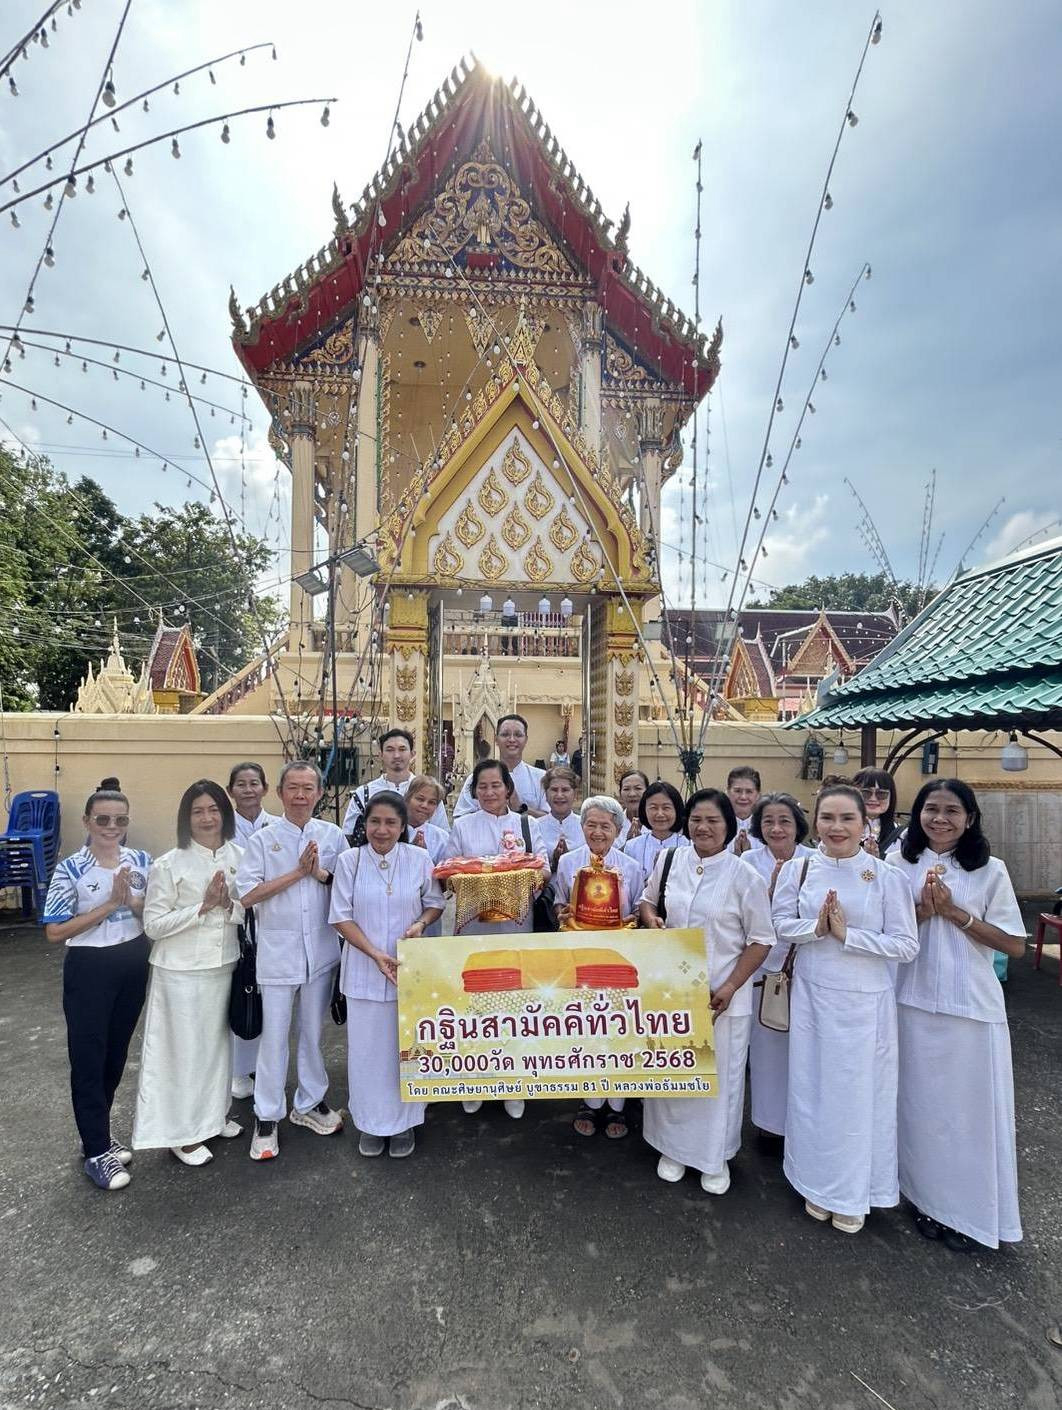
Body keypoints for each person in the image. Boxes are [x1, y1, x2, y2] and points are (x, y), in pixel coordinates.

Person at [772, 784, 918, 1233]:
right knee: (813, 1091)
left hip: (865, 1006)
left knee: (858, 1100)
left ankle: (854, 1192)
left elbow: (906, 945)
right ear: (815, 822)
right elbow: (780, 925)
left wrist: (847, 936)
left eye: (846, 819)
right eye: (828, 818)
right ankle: (814, 1183)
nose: (836, 828)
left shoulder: (886, 875)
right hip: (814, 997)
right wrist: (815, 929)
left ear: (864, 823)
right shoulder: (798, 869)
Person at [887, 779, 1025, 1251]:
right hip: (910, 999)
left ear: (970, 818)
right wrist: (924, 912)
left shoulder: (991, 871)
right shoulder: (898, 863)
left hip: (970, 1009)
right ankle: (921, 1197)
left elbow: (1012, 944)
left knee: (967, 1116)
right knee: (917, 1108)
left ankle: (969, 1214)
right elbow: (885, 927)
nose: (940, 819)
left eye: (951, 810)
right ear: (917, 814)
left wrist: (955, 914)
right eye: (931, 809)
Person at [639, 788, 774, 1193]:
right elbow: (647, 901)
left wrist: (732, 986)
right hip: (672, 992)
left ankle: (715, 1158)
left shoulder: (744, 876)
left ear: (729, 826)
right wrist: (652, 921)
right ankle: (671, 1148)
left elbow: (762, 939)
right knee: (673, 1075)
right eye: (696, 819)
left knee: (718, 1079)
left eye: (713, 820)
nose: (703, 827)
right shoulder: (669, 860)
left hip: (722, 996)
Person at [236, 762, 347, 1161]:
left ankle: (309, 1103)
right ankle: (267, 1116)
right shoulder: (264, 841)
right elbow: (246, 895)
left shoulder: (332, 835)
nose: (301, 796)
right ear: (280, 793)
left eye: (308, 788)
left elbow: (345, 884)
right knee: (274, 1037)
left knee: (313, 1035)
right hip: (277, 953)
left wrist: (319, 873)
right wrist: (298, 874)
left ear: (320, 793)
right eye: (293, 788)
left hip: (319, 951)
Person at [43, 788, 151, 1192]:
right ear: (87, 821)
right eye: (103, 819)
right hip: (90, 968)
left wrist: (134, 904)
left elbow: (150, 910)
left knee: (116, 1054)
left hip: (132, 962)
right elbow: (54, 930)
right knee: (88, 1058)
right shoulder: (71, 868)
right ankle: (95, 1150)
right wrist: (108, 905)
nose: (112, 827)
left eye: (120, 820)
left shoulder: (140, 860)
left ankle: (97, 1136)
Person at [132, 781, 244, 1165]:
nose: (207, 817)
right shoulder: (169, 863)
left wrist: (228, 903)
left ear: (224, 814)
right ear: (186, 817)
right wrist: (202, 907)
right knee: (182, 1053)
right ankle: (182, 1134)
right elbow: (154, 926)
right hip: (180, 971)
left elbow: (247, 911)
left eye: (214, 809)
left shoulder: (239, 856)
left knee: (215, 1049)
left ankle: (213, 1117)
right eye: (198, 811)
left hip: (223, 964)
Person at [329, 792, 446, 1159]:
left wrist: (419, 925)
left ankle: (405, 1124)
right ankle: (369, 1123)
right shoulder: (349, 860)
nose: (382, 830)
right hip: (364, 970)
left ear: (402, 826)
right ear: (365, 824)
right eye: (375, 822)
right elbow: (340, 916)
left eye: (391, 823)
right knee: (366, 1054)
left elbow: (435, 903)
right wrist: (375, 953)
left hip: (408, 970)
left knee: (406, 1050)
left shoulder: (419, 858)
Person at [443, 758, 550, 1120]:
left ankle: (515, 1083)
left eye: (496, 785)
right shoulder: (461, 826)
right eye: (482, 787)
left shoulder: (527, 824)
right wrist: (475, 875)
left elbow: (544, 868)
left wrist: (526, 875)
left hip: (516, 928)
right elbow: (446, 873)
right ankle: (473, 1080)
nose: (489, 793)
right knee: (474, 1004)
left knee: (515, 1004)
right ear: (474, 792)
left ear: (508, 789)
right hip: (474, 930)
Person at [553, 794, 645, 1140]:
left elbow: (638, 908)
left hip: (620, 961)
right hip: (579, 958)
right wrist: (564, 913)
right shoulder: (568, 864)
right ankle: (590, 1101)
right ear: (581, 827)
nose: (597, 832)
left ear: (618, 831)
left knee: (619, 1028)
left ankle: (618, 1104)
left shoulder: (632, 867)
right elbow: (561, 902)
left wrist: (630, 921)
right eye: (590, 824)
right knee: (588, 1028)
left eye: (605, 826)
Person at [742, 793, 814, 1142]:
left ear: (797, 825)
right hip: (761, 968)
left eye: (784, 820)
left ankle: (802, 1125)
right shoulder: (746, 862)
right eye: (768, 821)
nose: (776, 828)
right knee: (767, 1046)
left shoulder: (816, 861)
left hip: (805, 966)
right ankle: (769, 1125)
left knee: (803, 1051)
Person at [226, 761, 274, 1099]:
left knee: (268, 1000)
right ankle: (238, 1070)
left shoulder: (276, 827)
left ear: (265, 789)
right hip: (234, 919)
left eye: (254, 783)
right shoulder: (221, 828)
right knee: (239, 992)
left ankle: (263, 1065)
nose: (248, 789)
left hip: (271, 920)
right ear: (230, 792)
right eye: (240, 784)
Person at [342, 728, 448, 839]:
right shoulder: (364, 793)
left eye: (402, 749)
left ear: (412, 754)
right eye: (390, 750)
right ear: (380, 755)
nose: (396, 755)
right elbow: (348, 835)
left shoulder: (428, 791)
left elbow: (442, 835)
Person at [452, 714, 547, 817]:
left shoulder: (541, 778)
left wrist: (521, 808)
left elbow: (551, 822)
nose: (511, 739)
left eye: (518, 735)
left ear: (526, 740)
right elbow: (461, 818)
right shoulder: (477, 778)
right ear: (496, 739)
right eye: (505, 734)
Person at [622, 780, 688, 885]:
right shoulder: (632, 847)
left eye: (666, 808)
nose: (660, 814)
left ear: (677, 810)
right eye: (653, 808)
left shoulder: (688, 846)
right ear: (644, 810)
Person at [538, 765, 585, 872]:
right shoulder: (534, 827)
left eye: (565, 790)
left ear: (575, 794)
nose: (559, 795)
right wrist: (553, 864)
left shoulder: (585, 825)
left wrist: (568, 860)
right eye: (554, 790)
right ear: (546, 794)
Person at [852, 767, 903, 855]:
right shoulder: (842, 830)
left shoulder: (903, 835)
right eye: (866, 793)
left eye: (881, 794)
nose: (873, 799)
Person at [727, 766, 762, 855]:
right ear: (728, 792)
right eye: (737, 791)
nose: (743, 797)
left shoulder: (764, 826)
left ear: (758, 795)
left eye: (749, 791)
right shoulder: (719, 825)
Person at [616, 769, 649, 845]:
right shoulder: (613, 823)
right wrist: (628, 845)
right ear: (620, 794)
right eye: (626, 789)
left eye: (638, 788)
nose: (632, 794)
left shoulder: (657, 822)